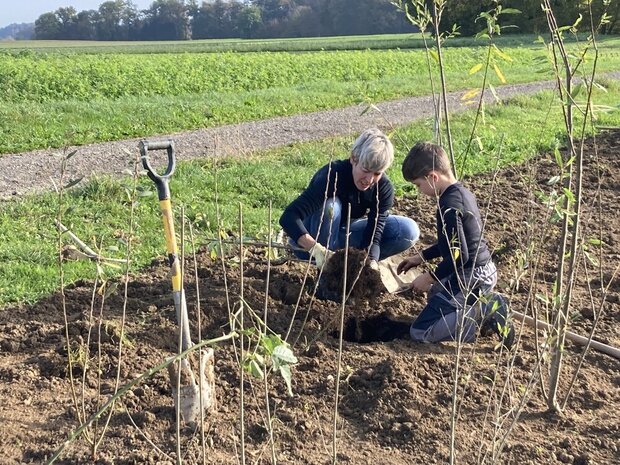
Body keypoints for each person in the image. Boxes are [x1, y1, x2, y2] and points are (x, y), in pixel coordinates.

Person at [397, 141, 514, 349]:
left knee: (419, 331)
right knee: (435, 295)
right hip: (481, 270)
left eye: (418, 185)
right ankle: (479, 313)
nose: (419, 190)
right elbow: (454, 244)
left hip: (470, 276)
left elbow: (459, 256)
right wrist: (421, 257)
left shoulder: (448, 207)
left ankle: (485, 310)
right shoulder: (462, 194)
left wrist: (428, 276)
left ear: (433, 177)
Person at [279, 128, 419, 271]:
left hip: (343, 235)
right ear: (353, 158)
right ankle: (325, 266)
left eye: (377, 173)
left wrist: (370, 261)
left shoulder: (382, 188)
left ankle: (349, 266)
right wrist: (316, 249)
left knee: (407, 230)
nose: (369, 180)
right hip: (311, 241)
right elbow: (288, 217)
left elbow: (374, 234)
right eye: (365, 170)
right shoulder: (332, 176)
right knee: (331, 207)